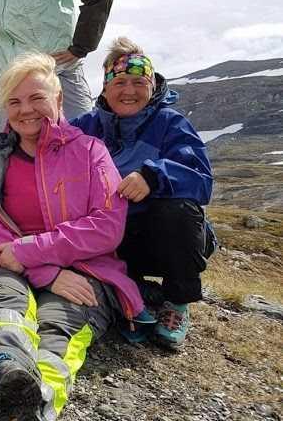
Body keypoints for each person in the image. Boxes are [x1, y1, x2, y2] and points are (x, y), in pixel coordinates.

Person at [0, 53, 151, 421]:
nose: (25, 110)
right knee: (5, 305)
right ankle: (1, 375)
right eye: (14, 102)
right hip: (5, 263)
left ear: (59, 99)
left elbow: (107, 226)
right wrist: (45, 271)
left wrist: (33, 255)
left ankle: (35, 405)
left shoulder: (91, 152)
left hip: (83, 271)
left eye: (36, 98)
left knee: (58, 327)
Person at [72, 38, 214, 349]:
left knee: (177, 210)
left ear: (152, 85)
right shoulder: (85, 126)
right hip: (112, 239)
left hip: (163, 237)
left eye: (139, 82)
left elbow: (202, 180)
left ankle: (177, 301)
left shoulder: (170, 123)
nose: (129, 91)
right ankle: (135, 289)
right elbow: (48, 147)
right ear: (106, 87)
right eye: (120, 81)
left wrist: (154, 175)